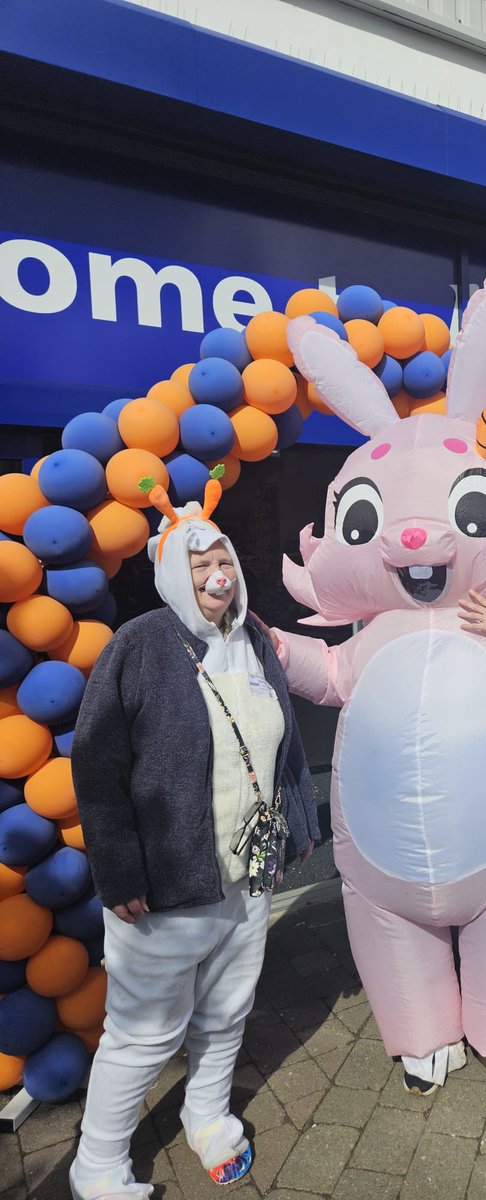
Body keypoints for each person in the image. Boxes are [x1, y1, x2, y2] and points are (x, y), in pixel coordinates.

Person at [69, 472, 319, 1200]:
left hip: (248, 880)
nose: (218, 575)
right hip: (168, 886)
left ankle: (208, 1118)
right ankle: (96, 1166)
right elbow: (98, 763)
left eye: (224, 560)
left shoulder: (255, 639)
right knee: (142, 1034)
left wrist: (298, 823)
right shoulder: (139, 644)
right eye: (201, 563)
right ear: (175, 575)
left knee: (228, 1009)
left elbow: (284, 746)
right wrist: (119, 870)